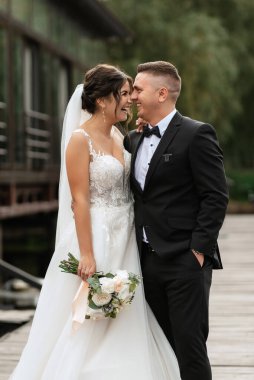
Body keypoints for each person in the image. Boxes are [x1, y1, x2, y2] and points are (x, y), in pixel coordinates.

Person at [10, 64, 181, 380]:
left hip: (126, 234)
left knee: (124, 313)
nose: (130, 100)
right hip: (97, 235)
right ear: (103, 99)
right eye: (125, 93)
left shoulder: (121, 136)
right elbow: (80, 201)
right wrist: (87, 254)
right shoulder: (79, 140)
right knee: (91, 315)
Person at [124, 61, 229, 380]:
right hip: (145, 262)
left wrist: (198, 250)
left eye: (138, 89)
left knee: (189, 346)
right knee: (158, 347)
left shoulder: (197, 134)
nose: (132, 97)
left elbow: (216, 196)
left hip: (186, 259)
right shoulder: (133, 140)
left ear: (162, 92)